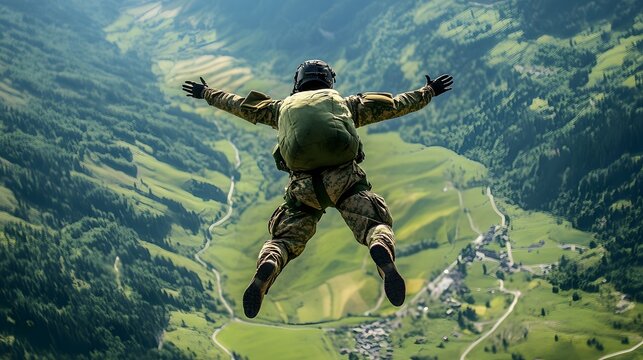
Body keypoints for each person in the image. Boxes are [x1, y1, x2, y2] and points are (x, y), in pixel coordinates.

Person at [182, 60, 453, 318]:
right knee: (374, 222)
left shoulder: (279, 108)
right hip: (344, 180)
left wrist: (206, 92)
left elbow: (239, 104)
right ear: (328, 81)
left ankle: (271, 262)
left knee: (284, 239)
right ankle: (378, 244)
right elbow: (394, 105)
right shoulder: (345, 104)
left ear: (298, 83)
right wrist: (429, 91)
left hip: (303, 188)